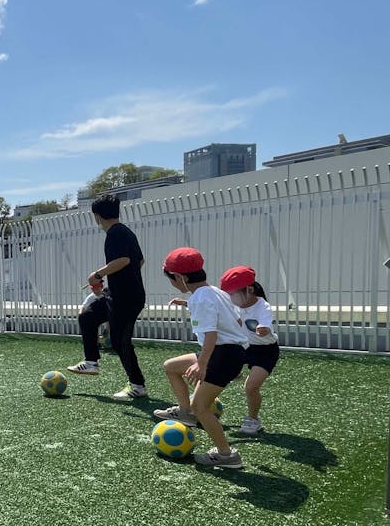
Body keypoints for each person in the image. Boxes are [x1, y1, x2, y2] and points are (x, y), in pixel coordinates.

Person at [154, 248, 250, 468]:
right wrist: (188, 304)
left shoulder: (200, 298)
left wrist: (202, 364)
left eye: (172, 279)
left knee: (201, 407)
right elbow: (231, 320)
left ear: (180, 277)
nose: (173, 284)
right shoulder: (214, 292)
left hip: (222, 353)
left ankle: (227, 455)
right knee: (171, 366)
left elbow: (211, 335)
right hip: (226, 351)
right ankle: (185, 413)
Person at [74, 194, 148, 399]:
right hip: (117, 294)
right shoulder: (126, 232)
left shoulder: (115, 233)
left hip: (126, 298)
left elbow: (124, 259)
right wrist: (119, 278)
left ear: (97, 216)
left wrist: (97, 275)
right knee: (88, 316)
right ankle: (91, 363)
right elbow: (139, 261)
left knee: (119, 341)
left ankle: (138, 386)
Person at [220, 266, 279, 436]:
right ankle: (198, 405)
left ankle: (253, 421)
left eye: (232, 294)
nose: (230, 298)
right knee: (218, 369)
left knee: (250, 388)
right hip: (244, 347)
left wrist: (263, 328)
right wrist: (188, 303)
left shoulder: (263, 306)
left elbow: (265, 322)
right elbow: (215, 307)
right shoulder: (234, 303)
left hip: (265, 352)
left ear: (250, 290)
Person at [66, 282, 110, 375]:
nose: (95, 290)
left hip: (121, 295)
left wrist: (98, 274)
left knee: (87, 319)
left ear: (101, 287)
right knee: (86, 318)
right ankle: (137, 385)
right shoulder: (92, 297)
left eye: (97, 287)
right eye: (93, 288)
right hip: (120, 294)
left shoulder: (105, 296)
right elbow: (82, 307)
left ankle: (91, 362)